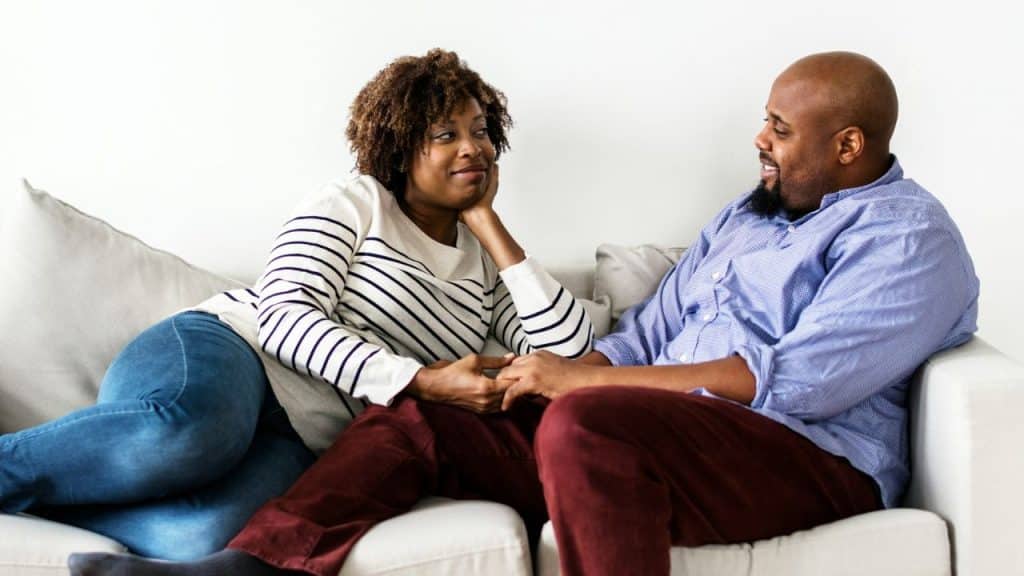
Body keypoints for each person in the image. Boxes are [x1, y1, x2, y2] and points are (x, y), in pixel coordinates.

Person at [69, 51, 979, 576]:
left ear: (848, 145)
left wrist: (585, 387)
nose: (760, 139)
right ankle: (253, 570)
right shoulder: (747, 218)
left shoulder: (907, 238)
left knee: (587, 420)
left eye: (779, 127)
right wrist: (550, 377)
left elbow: (800, 381)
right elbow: (638, 337)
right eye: (766, 121)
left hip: (800, 456)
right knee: (425, 414)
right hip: (655, 433)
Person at [0, 48, 593, 561]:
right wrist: (419, 381)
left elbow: (570, 355)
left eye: (481, 131)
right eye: (446, 135)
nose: (473, 148)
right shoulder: (356, 202)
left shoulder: (487, 267)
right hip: (231, 350)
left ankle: (32, 501)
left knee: (204, 537)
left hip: (304, 434)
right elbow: (283, 317)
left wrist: (488, 225)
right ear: (400, 146)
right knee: (186, 435)